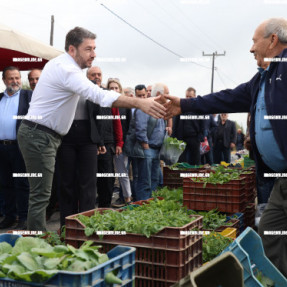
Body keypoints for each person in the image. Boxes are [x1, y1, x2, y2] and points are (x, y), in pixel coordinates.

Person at [164, 18, 287, 277]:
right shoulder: (262, 79)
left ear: (273, 40)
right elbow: (227, 97)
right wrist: (184, 105)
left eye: (255, 41)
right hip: (279, 180)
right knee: (270, 232)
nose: (251, 48)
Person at [17, 26, 166, 231]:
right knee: (41, 194)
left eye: (95, 48)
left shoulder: (63, 65)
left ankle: (49, 238)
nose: (94, 54)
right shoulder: (67, 69)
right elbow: (99, 95)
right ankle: (37, 246)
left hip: (45, 135)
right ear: (72, 49)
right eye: (88, 49)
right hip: (39, 135)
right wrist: (140, 103)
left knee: (45, 193)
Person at [0, 66, 32, 230]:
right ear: (4, 80)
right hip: (2, 148)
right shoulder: (0, 98)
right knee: (5, 183)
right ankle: (9, 216)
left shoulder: (28, 96)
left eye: (17, 78)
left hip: (20, 148)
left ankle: (24, 217)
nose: (15, 81)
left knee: (22, 183)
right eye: (11, 78)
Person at [135, 83, 167, 200]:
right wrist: (145, 144)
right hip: (148, 149)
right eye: (167, 94)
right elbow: (140, 127)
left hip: (156, 149)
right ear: (159, 94)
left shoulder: (159, 107)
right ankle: (142, 204)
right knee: (145, 180)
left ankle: (151, 203)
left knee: (155, 179)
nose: (168, 96)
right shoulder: (147, 106)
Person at [172, 87, 205, 165]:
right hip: (182, 139)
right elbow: (175, 122)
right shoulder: (180, 107)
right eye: (187, 96)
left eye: (190, 97)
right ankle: (182, 176)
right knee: (181, 161)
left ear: (195, 96)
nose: (188, 98)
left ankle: (195, 176)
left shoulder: (199, 108)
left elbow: (203, 123)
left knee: (196, 161)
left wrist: (201, 136)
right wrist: (174, 137)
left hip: (195, 138)